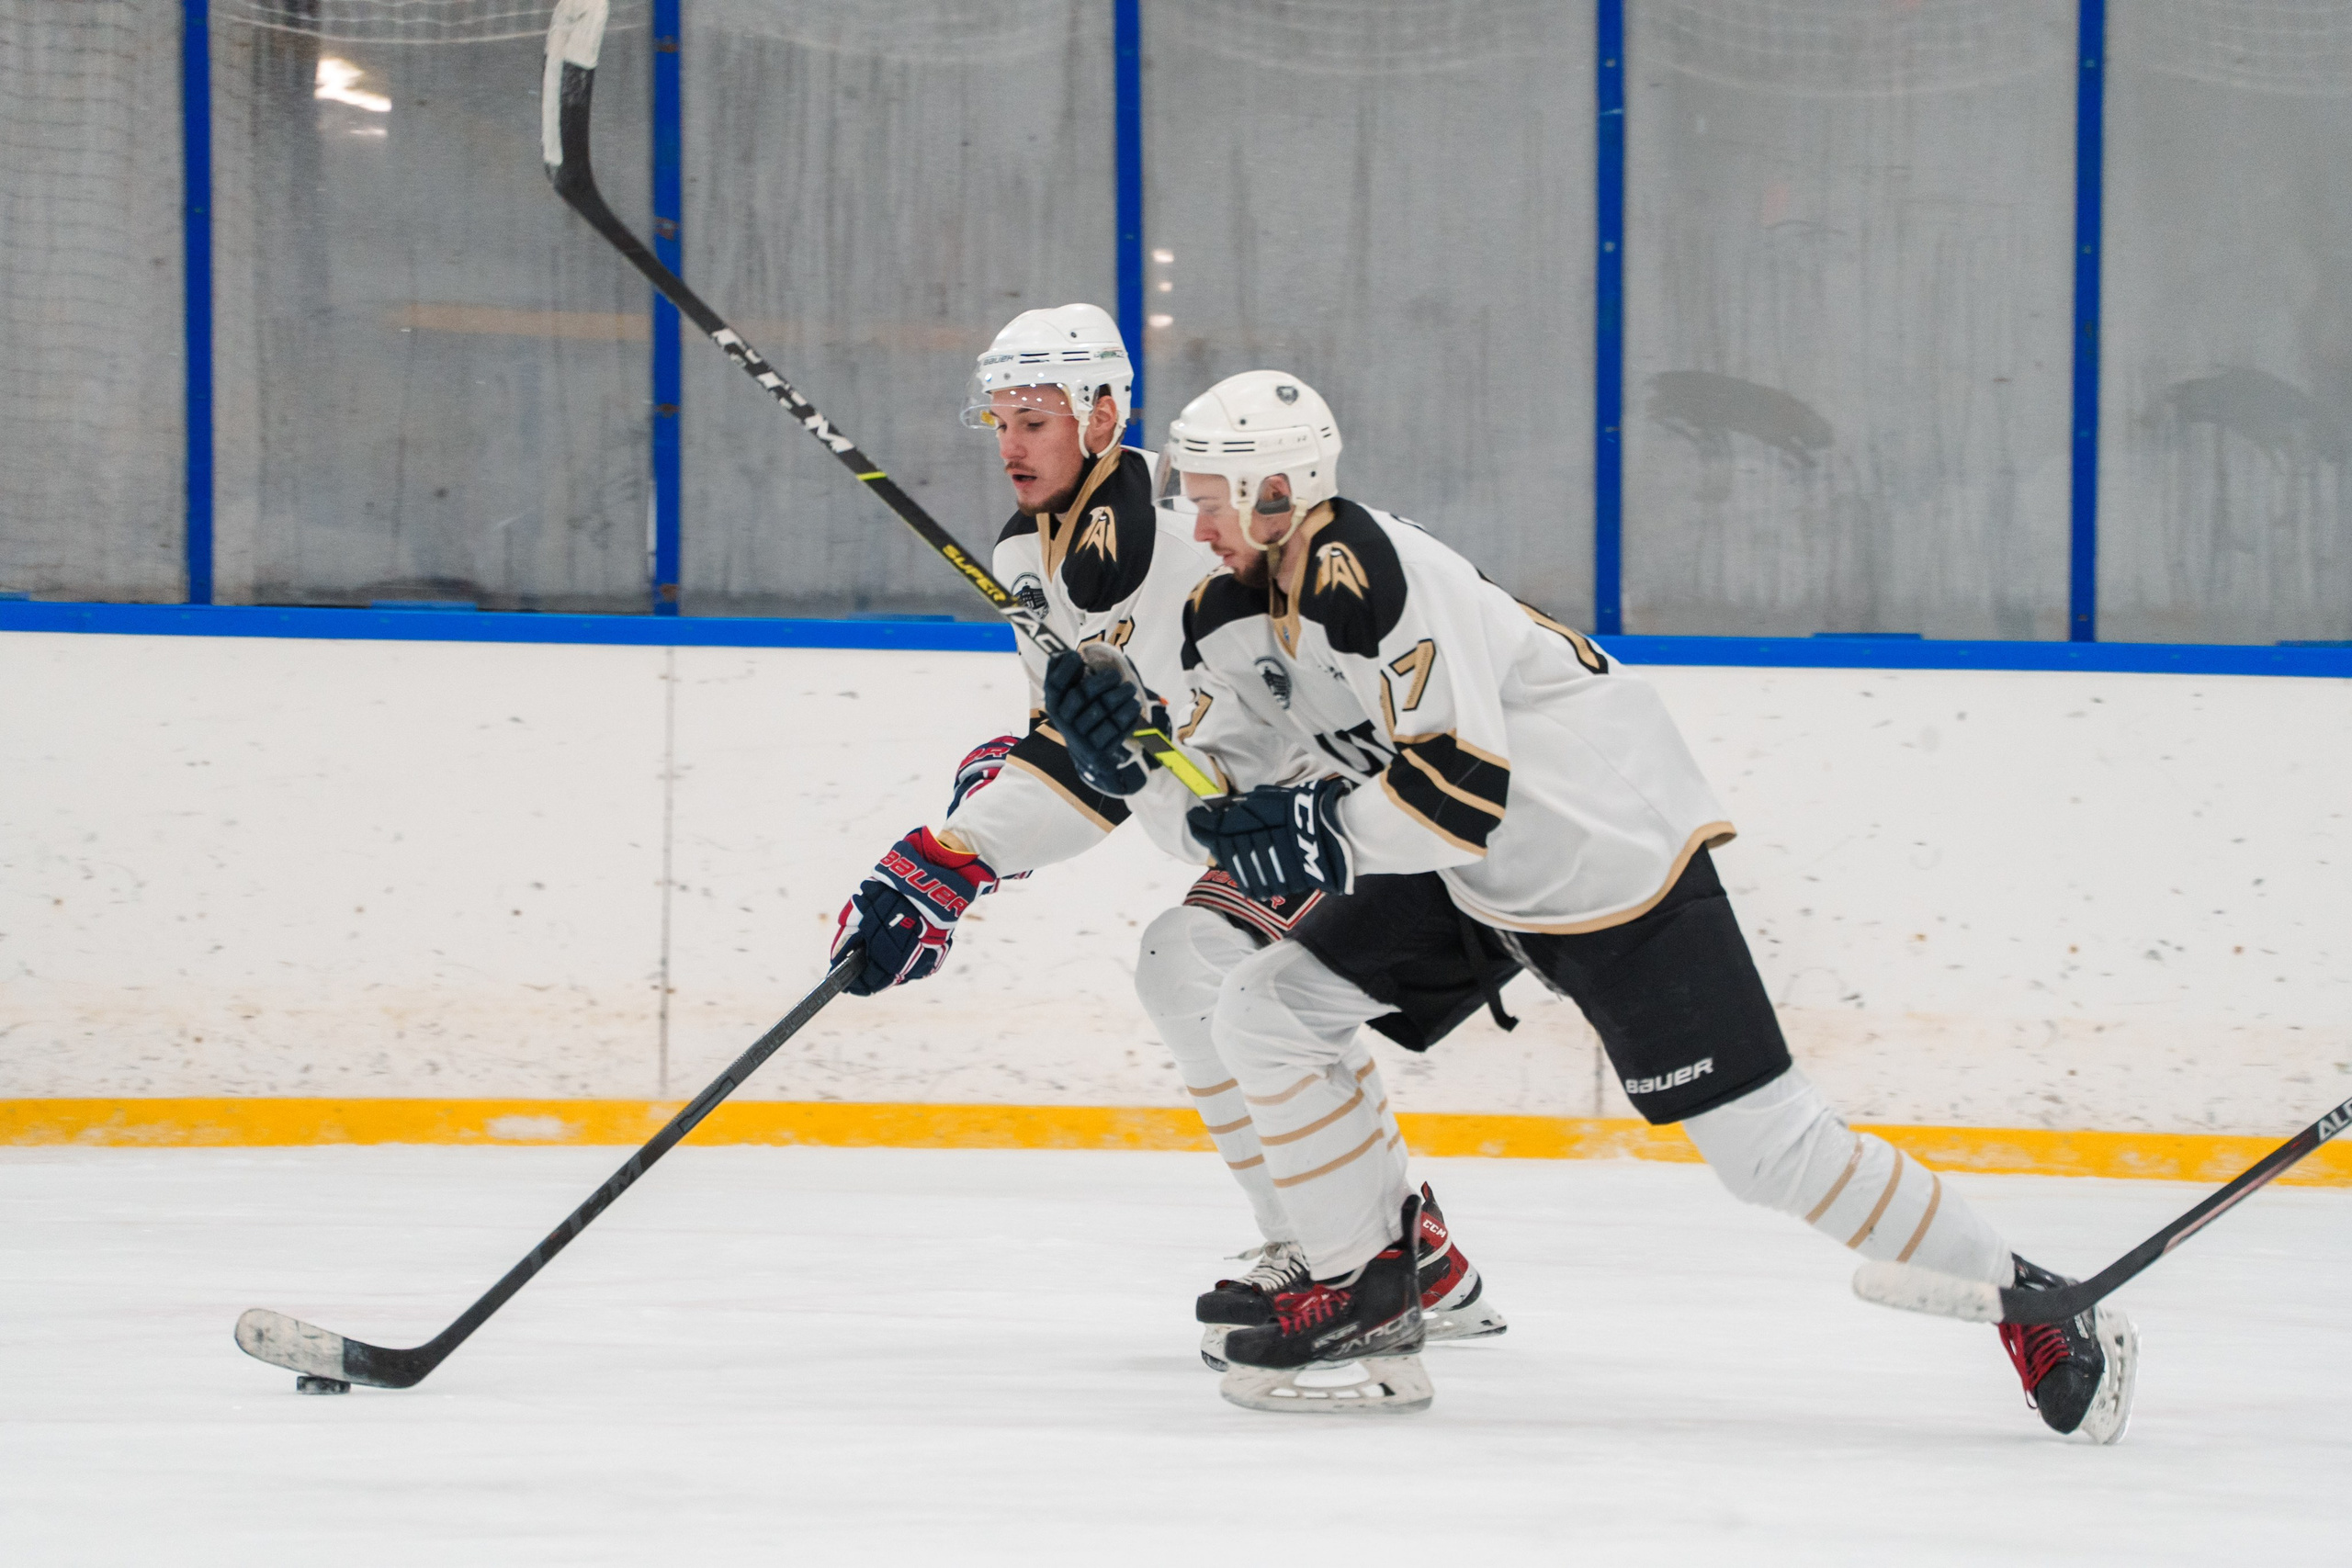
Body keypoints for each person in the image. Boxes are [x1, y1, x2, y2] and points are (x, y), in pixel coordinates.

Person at [1053, 368, 2140, 1438]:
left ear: (1276, 491)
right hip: (1466, 871)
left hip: (1606, 860)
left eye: (1210, 498)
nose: (1196, 524)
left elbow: (1455, 792)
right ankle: (1368, 1292)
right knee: (1267, 1009)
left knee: (1768, 1152)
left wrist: (1309, 828)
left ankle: (2034, 1299)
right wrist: (1134, 759)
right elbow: (1224, 811)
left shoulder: (1374, 570)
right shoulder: (1229, 614)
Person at [824, 307, 1506, 1370]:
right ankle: (1385, 1250)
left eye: (1036, 419)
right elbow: (1082, 753)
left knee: (1208, 972)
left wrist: (991, 834)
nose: (1011, 445)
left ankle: (1365, 1255)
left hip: (1367, 809)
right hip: (1264, 819)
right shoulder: (1026, 557)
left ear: (1103, 416)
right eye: (1000, 421)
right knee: (1188, 969)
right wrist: (956, 853)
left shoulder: (1199, 534)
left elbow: (1179, 747)